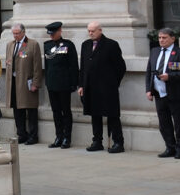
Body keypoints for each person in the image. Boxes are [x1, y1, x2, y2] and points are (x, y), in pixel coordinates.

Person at [146, 27, 180, 159]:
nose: (161, 40)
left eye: (164, 37)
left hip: (176, 93)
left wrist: (170, 77)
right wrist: (148, 90)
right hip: (159, 93)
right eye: (160, 37)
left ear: (173, 38)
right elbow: (149, 71)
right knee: (164, 123)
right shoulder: (154, 51)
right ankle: (169, 147)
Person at [78, 22, 126, 152]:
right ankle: (97, 141)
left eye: (93, 31)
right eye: (89, 31)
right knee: (95, 114)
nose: (90, 33)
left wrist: (113, 83)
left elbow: (120, 67)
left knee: (112, 115)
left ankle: (118, 142)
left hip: (107, 88)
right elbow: (83, 67)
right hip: (90, 87)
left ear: (100, 30)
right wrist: (81, 85)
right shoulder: (85, 45)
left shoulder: (111, 45)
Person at [4, 23, 43, 145]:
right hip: (14, 82)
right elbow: (9, 61)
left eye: (17, 33)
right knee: (17, 109)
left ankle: (33, 135)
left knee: (31, 109)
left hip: (27, 82)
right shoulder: (10, 45)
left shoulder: (32, 44)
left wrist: (36, 82)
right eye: (14, 33)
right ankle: (21, 134)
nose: (15, 36)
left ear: (23, 32)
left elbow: (37, 66)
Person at [41, 22, 78, 148]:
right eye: (50, 34)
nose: (51, 36)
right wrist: (47, 81)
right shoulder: (47, 45)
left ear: (60, 31)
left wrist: (74, 83)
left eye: (53, 33)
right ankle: (59, 136)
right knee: (56, 111)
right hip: (52, 83)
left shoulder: (68, 45)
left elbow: (73, 65)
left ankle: (67, 137)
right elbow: (47, 66)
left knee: (65, 111)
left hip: (64, 84)